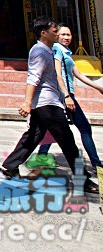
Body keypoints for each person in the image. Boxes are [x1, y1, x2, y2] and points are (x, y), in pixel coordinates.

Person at [0, 18, 96, 192]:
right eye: (54, 30)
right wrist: (27, 102)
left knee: (33, 136)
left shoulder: (49, 51)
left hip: (46, 102)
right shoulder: (40, 52)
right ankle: (83, 180)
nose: (58, 33)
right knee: (68, 142)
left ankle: (9, 166)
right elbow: (33, 78)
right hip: (47, 104)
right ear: (44, 33)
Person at [36, 24, 103, 171]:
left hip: (65, 94)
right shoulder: (57, 50)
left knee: (53, 128)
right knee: (84, 128)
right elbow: (57, 73)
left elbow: (77, 74)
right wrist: (66, 95)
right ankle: (96, 162)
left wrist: (98, 87)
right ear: (56, 36)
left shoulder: (66, 52)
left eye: (69, 35)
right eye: (63, 35)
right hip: (63, 94)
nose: (67, 37)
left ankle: (41, 155)